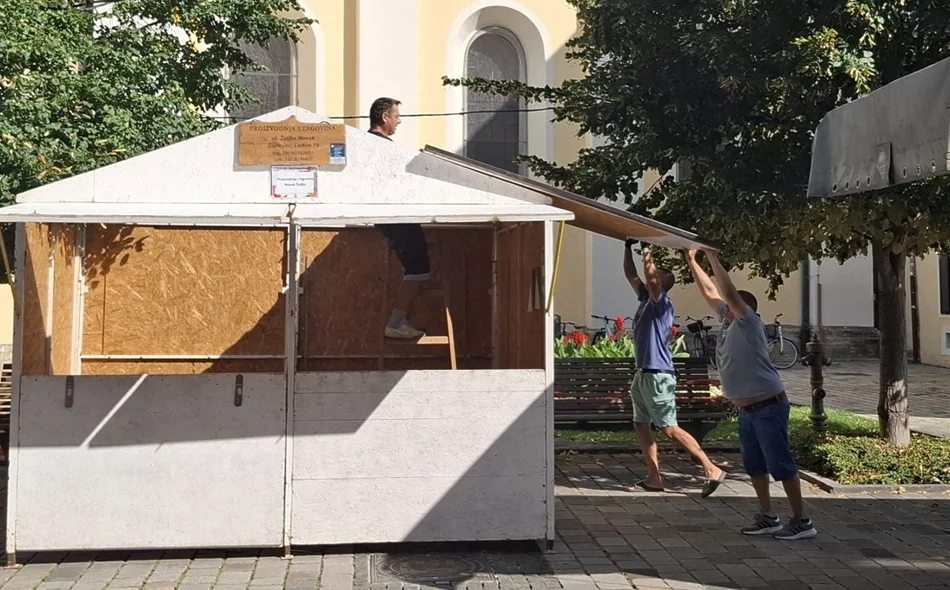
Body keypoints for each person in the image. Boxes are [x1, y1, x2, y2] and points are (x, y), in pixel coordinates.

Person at [684, 248, 817, 540]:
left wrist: (714, 257)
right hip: (748, 412)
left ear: (743, 308)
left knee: (780, 464)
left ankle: (802, 520)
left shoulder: (748, 323)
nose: (724, 308)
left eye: (731, 306)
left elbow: (728, 293)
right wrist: (692, 260)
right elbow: (710, 291)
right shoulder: (728, 322)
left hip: (769, 407)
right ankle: (768, 516)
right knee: (755, 466)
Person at [623, 238, 725, 498]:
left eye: (655, 279)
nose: (648, 282)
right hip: (643, 375)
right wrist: (627, 247)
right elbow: (631, 274)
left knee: (669, 428)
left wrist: (647, 249)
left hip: (658, 375)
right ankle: (654, 478)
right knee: (641, 425)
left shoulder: (661, 304)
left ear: (662, 284)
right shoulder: (644, 300)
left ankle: (710, 468)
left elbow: (651, 278)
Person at [367, 97, 431, 339]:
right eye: (396, 115)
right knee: (419, 270)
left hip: (393, 214)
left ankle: (398, 321)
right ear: (384, 117)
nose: (399, 120)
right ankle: (395, 323)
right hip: (395, 214)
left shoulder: (369, 143)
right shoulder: (380, 146)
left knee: (418, 269)